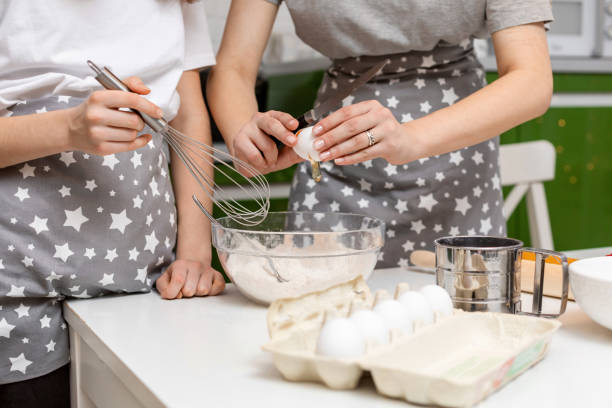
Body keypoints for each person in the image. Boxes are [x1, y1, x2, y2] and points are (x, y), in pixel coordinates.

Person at [207, 0, 553, 268]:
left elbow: (532, 79)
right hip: (333, 159)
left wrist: (411, 138)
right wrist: (247, 136)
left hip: (454, 160)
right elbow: (233, 68)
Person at [0, 1, 224, 406]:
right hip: (16, 287)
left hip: (143, 283)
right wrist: (66, 128)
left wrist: (194, 253)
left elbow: (188, 118)